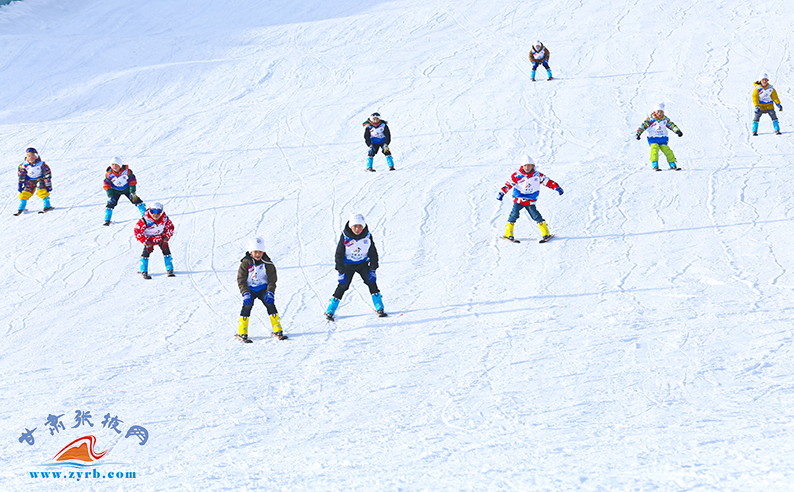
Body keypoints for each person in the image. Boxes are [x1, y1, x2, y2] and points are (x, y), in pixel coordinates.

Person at [325, 213, 386, 320]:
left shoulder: (367, 236)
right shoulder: (345, 237)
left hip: (362, 264)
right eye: (355, 226)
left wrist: (372, 269)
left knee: (371, 282)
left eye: (360, 227)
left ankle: (379, 307)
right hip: (348, 265)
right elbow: (339, 255)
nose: (357, 229)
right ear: (350, 226)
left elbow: (373, 253)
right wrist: (341, 272)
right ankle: (331, 309)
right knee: (343, 285)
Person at [497, 155, 563, 242]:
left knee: (536, 215)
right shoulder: (517, 175)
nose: (527, 167)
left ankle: (546, 233)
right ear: (522, 166)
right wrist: (502, 193)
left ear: (533, 166)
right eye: (525, 166)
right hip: (519, 199)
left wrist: (557, 187)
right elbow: (508, 184)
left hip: (530, 201)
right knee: (513, 215)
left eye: (529, 165)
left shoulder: (538, 175)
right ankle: (509, 234)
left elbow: (548, 182)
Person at [236, 237, 288, 342]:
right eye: (255, 252)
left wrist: (270, 292)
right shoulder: (246, 263)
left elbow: (272, 279)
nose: (258, 254)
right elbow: (241, 279)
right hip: (250, 289)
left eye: (260, 252)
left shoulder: (267, 263)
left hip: (263, 288)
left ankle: (278, 329)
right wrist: (245, 293)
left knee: (270, 305)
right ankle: (243, 331)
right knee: (247, 306)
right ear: (251, 252)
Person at [635, 102, 683, 171]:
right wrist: (638, 133)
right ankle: (655, 165)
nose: (660, 114)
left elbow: (671, 125)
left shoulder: (665, 120)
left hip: (663, 139)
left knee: (668, 151)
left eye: (661, 112)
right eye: (658, 112)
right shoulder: (650, 120)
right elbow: (643, 126)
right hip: (653, 138)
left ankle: (673, 165)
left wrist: (677, 131)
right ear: (655, 112)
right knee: (654, 149)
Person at [133, 202, 175, 279]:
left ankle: (169, 268)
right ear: (149, 211)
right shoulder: (145, 220)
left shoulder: (165, 219)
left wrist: (166, 238)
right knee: (146, 253)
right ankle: (143, 270)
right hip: (149, 239)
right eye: (153, 212)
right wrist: (145, 241)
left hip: (160, 238)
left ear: (161, 212)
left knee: (166, 251)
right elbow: (137, 231)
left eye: (158, 212)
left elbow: (170, 227)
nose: (155, 215)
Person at [103, 156, 146, 226]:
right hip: (115, 190)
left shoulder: (127, 172)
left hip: (127, 189)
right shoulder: (109, 174)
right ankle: (107, 219)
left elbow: (132, 181)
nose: (114, 167)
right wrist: (110, 195)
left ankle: (145, 215)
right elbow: (107, 185)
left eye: (116, 165)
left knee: (136, 200)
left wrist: (132, 192)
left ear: (120, 165)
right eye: (113, 165)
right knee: (111, 203)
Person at [14, 147, 53, 216]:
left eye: (32, 156)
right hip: (29, 180)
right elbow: (21, 174)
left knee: (42, 190)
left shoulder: (41, 164)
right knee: (25, 192)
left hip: (39, 179)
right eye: (28, 156)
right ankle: (22, 206)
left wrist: (48, 184)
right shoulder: (24, 165)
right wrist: (20, 183)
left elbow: (47, 173)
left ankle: (47, 205)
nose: (30, 158)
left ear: (36, 156)